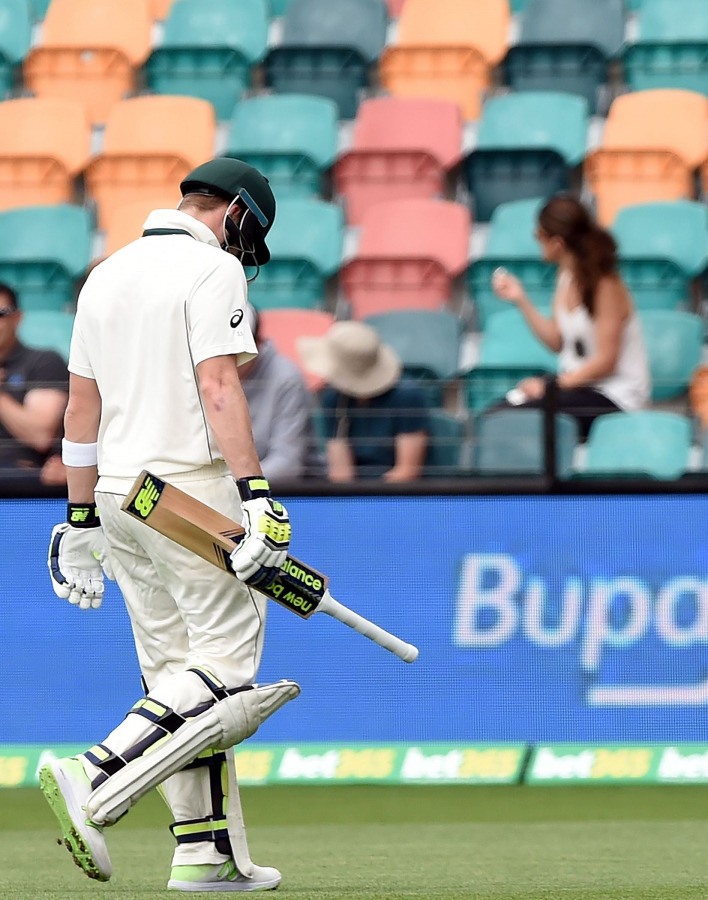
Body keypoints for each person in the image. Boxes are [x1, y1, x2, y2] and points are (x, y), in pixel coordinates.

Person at [39, 158, 299, 892]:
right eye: (252, 235)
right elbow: (219, 387)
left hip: (122, 496)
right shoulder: (213, 271)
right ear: (238, 212)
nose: (248, 254)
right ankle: (91, 774)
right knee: (226, 675)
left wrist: (79, 517)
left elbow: (79, 413)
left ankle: (204, 852)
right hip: (189, 492)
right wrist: (254, 495)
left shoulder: (106, 273)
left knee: (178, 677)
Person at [490, 194, 650, 439]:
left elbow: (606, 361)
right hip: (577, 388)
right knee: (496, 414)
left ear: (557, 242)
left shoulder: (606, 285)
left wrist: (550, 387)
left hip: (614, 396)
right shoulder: (565, 277)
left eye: (539, 235)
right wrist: (521, 299)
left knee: (517, 420)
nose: (536, 241)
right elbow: (556, 341)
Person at [299, 320, 430, 482]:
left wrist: (370, 502)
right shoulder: (333, 398)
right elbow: (341, 474)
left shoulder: (407, 396)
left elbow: (406, 472)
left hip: (395, 497)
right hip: (354, 496)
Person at [238, 305, 317, 482]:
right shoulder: (199, 374)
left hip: (282, 494)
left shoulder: (286, 378)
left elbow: (287, 463)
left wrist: (235, 487)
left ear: (257, 344)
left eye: (236, 354)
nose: (226, 362)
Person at [0, 282, 69, 480]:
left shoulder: (44, 361)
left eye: (1, 314)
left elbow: (40, 435)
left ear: (17, 317)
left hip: (20, 488)